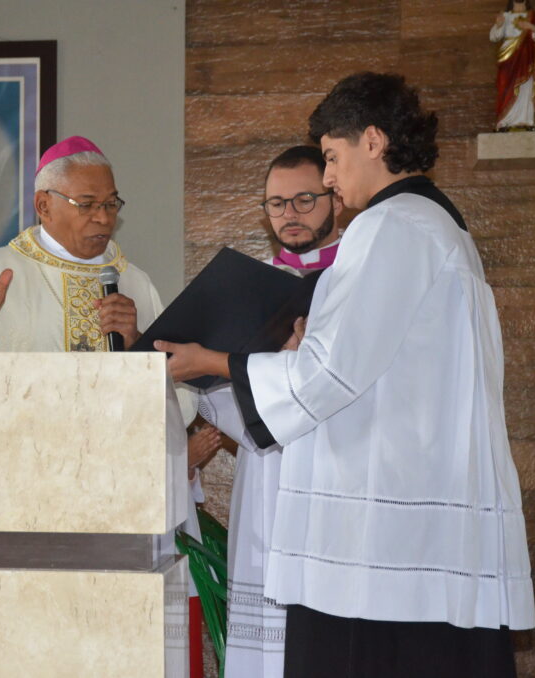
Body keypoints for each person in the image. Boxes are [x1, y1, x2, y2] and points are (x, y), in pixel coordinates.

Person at [157, 72, 535, 677]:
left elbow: (327, 371)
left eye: (332, 158)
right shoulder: (440, 227)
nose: (328, 178)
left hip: (380, 528)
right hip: (421, 499)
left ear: (374, 142)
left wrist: (215, 363)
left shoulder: (390, 228)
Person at [0, 136, 206, 677]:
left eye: (111, 204)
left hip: (118, 511)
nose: (103, 219)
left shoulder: (133, 281)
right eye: (87, 205)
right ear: (44, 205)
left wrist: (140, 343)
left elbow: (182, 399)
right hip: (22, 504)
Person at [194, 145, 343, 678]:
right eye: (276, 203)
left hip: (335, 482)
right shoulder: (250, 289)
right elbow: (212, 396)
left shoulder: (355, 280)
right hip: (267, 479)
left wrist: (288, 378)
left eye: (305, 199)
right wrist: (269, 387)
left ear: (335, 199)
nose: (290, 214)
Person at [490, 0, 535, 131]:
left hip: (527, 59)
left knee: (525, 87)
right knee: (505, 87)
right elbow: (494, 37)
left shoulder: (533, 16)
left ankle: (527, 121)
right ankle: (505, 122)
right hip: (508, 59)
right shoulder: (506, 15)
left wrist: (530, 27)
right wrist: (498, 25)